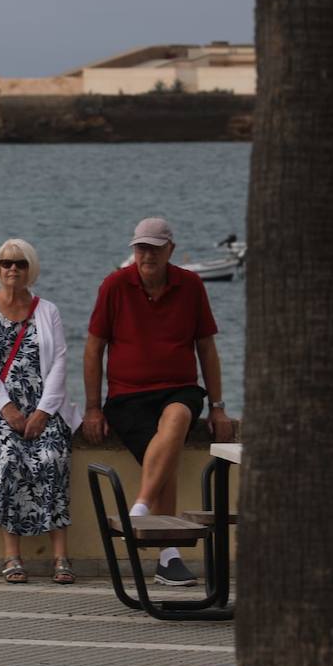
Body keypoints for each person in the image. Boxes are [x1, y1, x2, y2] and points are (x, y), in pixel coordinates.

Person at [82, 217, 236, 587]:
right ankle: (168, 557)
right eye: (140, 247)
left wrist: (217, 406)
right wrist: (92, 407)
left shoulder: (192, 285)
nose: (146, 255)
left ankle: (139, 508)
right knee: (164, 450)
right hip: (128, 395)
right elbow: (93, 348)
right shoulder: (115, 285)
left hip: (179, 388)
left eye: (154, 247)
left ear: (171, 250)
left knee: (179, 415)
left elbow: (206, 348)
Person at [0, 238, 80, 584]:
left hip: (43, 405)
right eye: (6, 263)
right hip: (0, 405)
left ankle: (61, 556)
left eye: (20, 263)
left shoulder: (48, 311)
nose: (13, 269)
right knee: (7, 458)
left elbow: (59, 362)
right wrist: (8, 408)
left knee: (53, 458)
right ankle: (12, 556)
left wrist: (44, 412)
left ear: (31, 268)